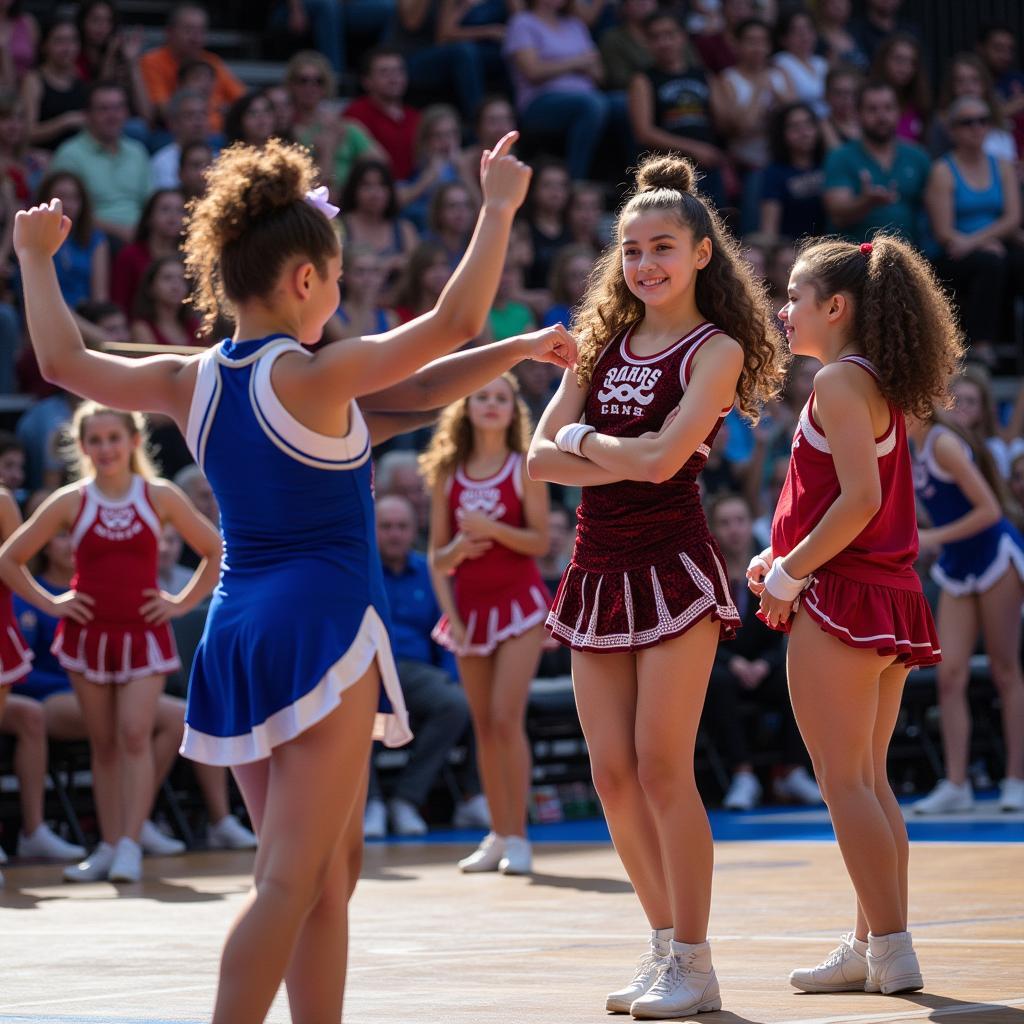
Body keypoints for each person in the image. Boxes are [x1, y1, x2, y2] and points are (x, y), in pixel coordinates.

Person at [11, 131, 575, 1021]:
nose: (342, 294)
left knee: (330, 873)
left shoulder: (190, 379)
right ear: (304, 280)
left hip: (238, 635)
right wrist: (499, 206)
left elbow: (64, 363)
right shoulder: (316, 373)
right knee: (286, 878)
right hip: (321, 629)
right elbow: (452, 326)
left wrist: (34, 260)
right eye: (339, 277)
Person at [528, 153, 785, 1018]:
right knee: (610, 774)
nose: (645, 265)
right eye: (631, 250)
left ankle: (698, 960)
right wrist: (611, 449)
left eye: (663, 247)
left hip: (673, 567)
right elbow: (536, 456)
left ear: (702, 253)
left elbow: (667, 459)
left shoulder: (717, 347)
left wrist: (590, 443)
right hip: (596, 571)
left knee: (661, 766)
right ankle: (663, 943)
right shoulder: (598, 340)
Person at [749, 234, 962, 997]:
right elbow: (848, 503)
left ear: (834, 308)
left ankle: (893, 949)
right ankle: (872, 941)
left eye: (795, 297)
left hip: (842, 597)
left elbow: (859, 503)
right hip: (881, 593)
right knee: (867, 781)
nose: (783, 310)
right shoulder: (870, 381)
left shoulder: (839, 381)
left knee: (845, 783)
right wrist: (782, 560)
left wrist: (791, 570)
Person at [0, 403, 223, 883]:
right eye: (95, 440)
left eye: (113, 439)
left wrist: (181, 603)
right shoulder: (70, 500)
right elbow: (10, 558)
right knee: (102, 743)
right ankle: (106, 844)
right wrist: (52, 603)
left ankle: (129, 842)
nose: (105, 449)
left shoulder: (158, 495)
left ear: (134, 442)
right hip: (86, 637)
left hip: (144, 633)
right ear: (82, 447)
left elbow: (215, 548)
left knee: (135, 734)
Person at [13, 505, 256, 857]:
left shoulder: (104, 584)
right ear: (46, 545)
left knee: (181, 717)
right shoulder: (33, 598)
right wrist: (55, 613)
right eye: (61, 537)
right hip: (55, 694)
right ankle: (120, 829)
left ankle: (145, 819)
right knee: (113, 734)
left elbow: (215, 548)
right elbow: (22, 663)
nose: (69, 545)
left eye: (72, 537)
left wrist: (176, 604)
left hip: (110, 681)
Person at [422, 373, 551, 875]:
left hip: (520, 605)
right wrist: (457, 554)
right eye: (482, 397)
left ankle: (519, 835)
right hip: (469, 611)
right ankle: (497, 833)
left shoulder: (524, 467)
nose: (492, 405)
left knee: (504, 717)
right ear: (467, 408)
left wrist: (493, 529)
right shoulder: (448, 473)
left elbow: (541, 541)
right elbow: (437, 557)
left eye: (501, 398)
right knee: (482, 724)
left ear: (512, 409)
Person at [907, 415, 1024, 815]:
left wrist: (931, 539)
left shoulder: (941, 443)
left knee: (1004, 670)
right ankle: (956, 783)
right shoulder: (914, 447)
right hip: (958, 564)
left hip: (994, 556)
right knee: (949, 675)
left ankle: (1015, 779)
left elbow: (990, 510)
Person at [365, 493, 485, 838]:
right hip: (369, 669)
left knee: (459, 702)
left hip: (418, 673)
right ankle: (369, 802)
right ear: (372, 531)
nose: (394, 534)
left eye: (402, 526)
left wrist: (454, 677)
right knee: (350, 707)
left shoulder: (429, 572)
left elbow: (446, 632)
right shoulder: (358, 571)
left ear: (414, 528)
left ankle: (407, 799)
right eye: (386, 527)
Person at [704, 492, 820, 811]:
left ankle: (793, 771)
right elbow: (700, 635)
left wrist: (765, 664)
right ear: (713, 529)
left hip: (761, 665)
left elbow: (781, 631)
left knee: (797, 675)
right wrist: (735, 662)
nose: (735, 530)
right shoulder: (705, 574)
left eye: (740, 521)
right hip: (720, 664)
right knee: (717, 682)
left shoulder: (768, 569)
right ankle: (743, 775)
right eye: (725, 523)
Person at [925, 95, 1022, 369]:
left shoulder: (1001, 165)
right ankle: (981, 346)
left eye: (983, 121)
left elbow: (1013, 218)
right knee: (990, 264)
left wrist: (979, 242)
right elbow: (943, 231)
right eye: (968, 122)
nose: (977, 128)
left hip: (988, 243)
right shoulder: (943, 171)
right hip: (953, 252)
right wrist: (977, 245)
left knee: (1012, 262)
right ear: (953, 130)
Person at [503, 0, 610, 180]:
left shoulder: (575, 24)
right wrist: (576, 62)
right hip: (540, 102)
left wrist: (569, 64)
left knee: (624, 105)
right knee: (592, 105)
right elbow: (533, 71)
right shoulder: (522, 23)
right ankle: (575, 182)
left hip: (588, 95)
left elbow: (600, 74)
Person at [823, 81, 931, 247]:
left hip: (909, 256)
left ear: (898, 112)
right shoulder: (840, 157)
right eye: (872, 109)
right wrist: (865, 202)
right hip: (854, 258)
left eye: (888, 108)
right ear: (857, 114)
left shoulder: (917, 156)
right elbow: (837, 213)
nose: (881, 116)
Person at [50, 81, 151, 245]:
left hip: (140, 236)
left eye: (118, 108)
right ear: (87, 115)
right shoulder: (70, 155)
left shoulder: (137, 152)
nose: (113, 116)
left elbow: (150, 204)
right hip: (94, 237)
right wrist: (120, 231)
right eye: (104, 109)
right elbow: (65, 212)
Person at [138, 3, 244, 134]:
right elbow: (164, 111)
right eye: (189, 30)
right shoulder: (152, 61)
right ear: (169, 32)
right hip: (178, 135)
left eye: (201, 31)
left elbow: (244, 102)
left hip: (221, 134)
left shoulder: (212, 61)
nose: (196, 38)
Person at [344, 48, 422, 182]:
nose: (394, 78)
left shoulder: (416, 117)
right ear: (366, 81)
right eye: (384, 72)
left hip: (415, 190)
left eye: (399, 71)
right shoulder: (354, 115)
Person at [338, 158, 419, 281]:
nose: (375, 193)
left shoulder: (404, 229)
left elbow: (417, 270)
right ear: (353, 189)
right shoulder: (339, 227)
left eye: (382, 185)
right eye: (367, 185)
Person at [111, 187, 185, 315]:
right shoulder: (130, 255)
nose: (173, 216)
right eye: (165, 209)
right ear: (149, 216)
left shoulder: (190, 258)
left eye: (180, 211)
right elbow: (119, 303)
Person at [19, 14, 88, 152]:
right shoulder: (33, 80)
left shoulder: (79, 77)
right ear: (44, 46)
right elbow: (27, 132)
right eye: (59, 41)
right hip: (43, 158)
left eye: (72, 41)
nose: (67, 48)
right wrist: (64, 122)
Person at [759, 102, 827, 242]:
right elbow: (769, 229)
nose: (804, 132)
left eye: (809, 124)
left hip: (830, 247)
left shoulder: (829, 164)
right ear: (782, 134)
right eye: (794, 127)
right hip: (790, 250)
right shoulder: (775, 172)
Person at [871, 32, 930, 145]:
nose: (905, 67)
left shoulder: (920, 104)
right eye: (899, 59)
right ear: (884, 61)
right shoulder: (867, 97)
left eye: (911, 62)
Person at [130, 255, 202, 347]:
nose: (176, 286)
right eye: (167, 278)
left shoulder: (195, 326)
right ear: (150, 287)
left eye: (182, 279)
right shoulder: (142, 328)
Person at [149, 89, 212, 190]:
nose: (198, 122)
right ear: (174, 123)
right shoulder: (161, 162)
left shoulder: (220, 157)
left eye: (203, 114)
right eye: (190, 115)